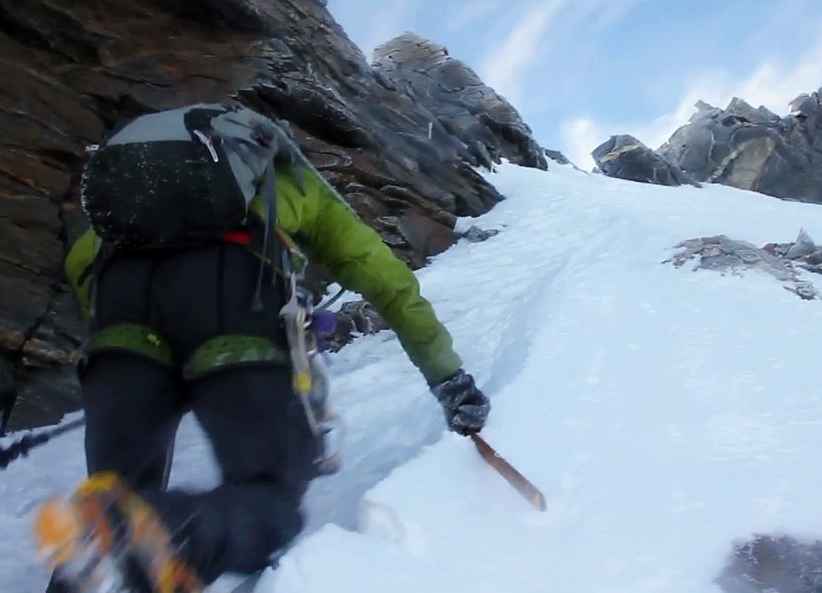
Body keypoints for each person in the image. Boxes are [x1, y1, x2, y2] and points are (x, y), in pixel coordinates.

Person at [36, 102, 491, 592]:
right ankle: (175, 534)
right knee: (266, 501)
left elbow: (85, 263)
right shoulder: (289, 182)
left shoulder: (131, 208)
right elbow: (389, 282)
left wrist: (126, 354)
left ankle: (96, 559)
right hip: (232, 310)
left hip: (118, 325)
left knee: (112, 508)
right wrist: (449, 378)